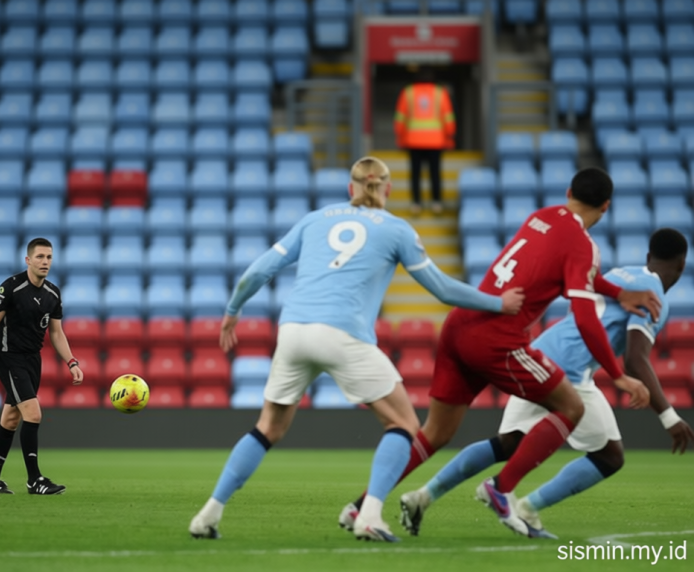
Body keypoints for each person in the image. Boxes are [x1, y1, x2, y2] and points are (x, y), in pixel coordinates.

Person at [188, 157, 525, 542]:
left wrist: (232, 311)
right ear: (388, 189)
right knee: (404, 425)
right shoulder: (397, 229)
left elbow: (259, 270)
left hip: (293, 331)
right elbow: (442, 289)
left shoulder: (315, 219)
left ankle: (208, 514)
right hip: (343, 333)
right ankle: (370, 516)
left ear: (351, 188)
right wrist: (498, 303)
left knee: (268, 427)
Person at [338, 167, 662, 537]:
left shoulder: (542, 216)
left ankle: (361, 506)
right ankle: (501, 487)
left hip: (460, 325)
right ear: (605, 207)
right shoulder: (583, 245)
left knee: (435, 432)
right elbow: (586, 317)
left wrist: (617, 292)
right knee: (571, 407)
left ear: (569, 192)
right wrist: (618, 375)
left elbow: (575, 273)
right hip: (497, 338)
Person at [399, 228, 693, 538]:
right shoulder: (653, 294)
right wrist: (669, 417)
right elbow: (635, 358)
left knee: (508, 443)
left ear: (648, 256)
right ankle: (522, 505)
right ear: (682, 264)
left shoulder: (621, 274)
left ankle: (422, 497)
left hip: (541, 352)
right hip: (571, 369)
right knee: (609, 456)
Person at [0, 237, 84, 496]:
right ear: (28, 260)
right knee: (33, 414)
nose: (45, 261)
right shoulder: (11, 287)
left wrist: (71, 362)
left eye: (49, 257)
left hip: (33, 360)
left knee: (10, 419)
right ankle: (35, 480)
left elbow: (56, 333)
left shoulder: (53, 294)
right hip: (9, 358)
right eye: (40, 257)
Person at [393, 66, 456, 216]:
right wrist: (450, 135)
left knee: (415, 174)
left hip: (413, 141)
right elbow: (448, 117)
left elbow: (400, 118)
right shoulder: (440, 92)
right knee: (435, 173)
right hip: (436, 141)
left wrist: (400, 136)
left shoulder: (407, 92)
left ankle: (416, 204)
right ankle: (436, 203)